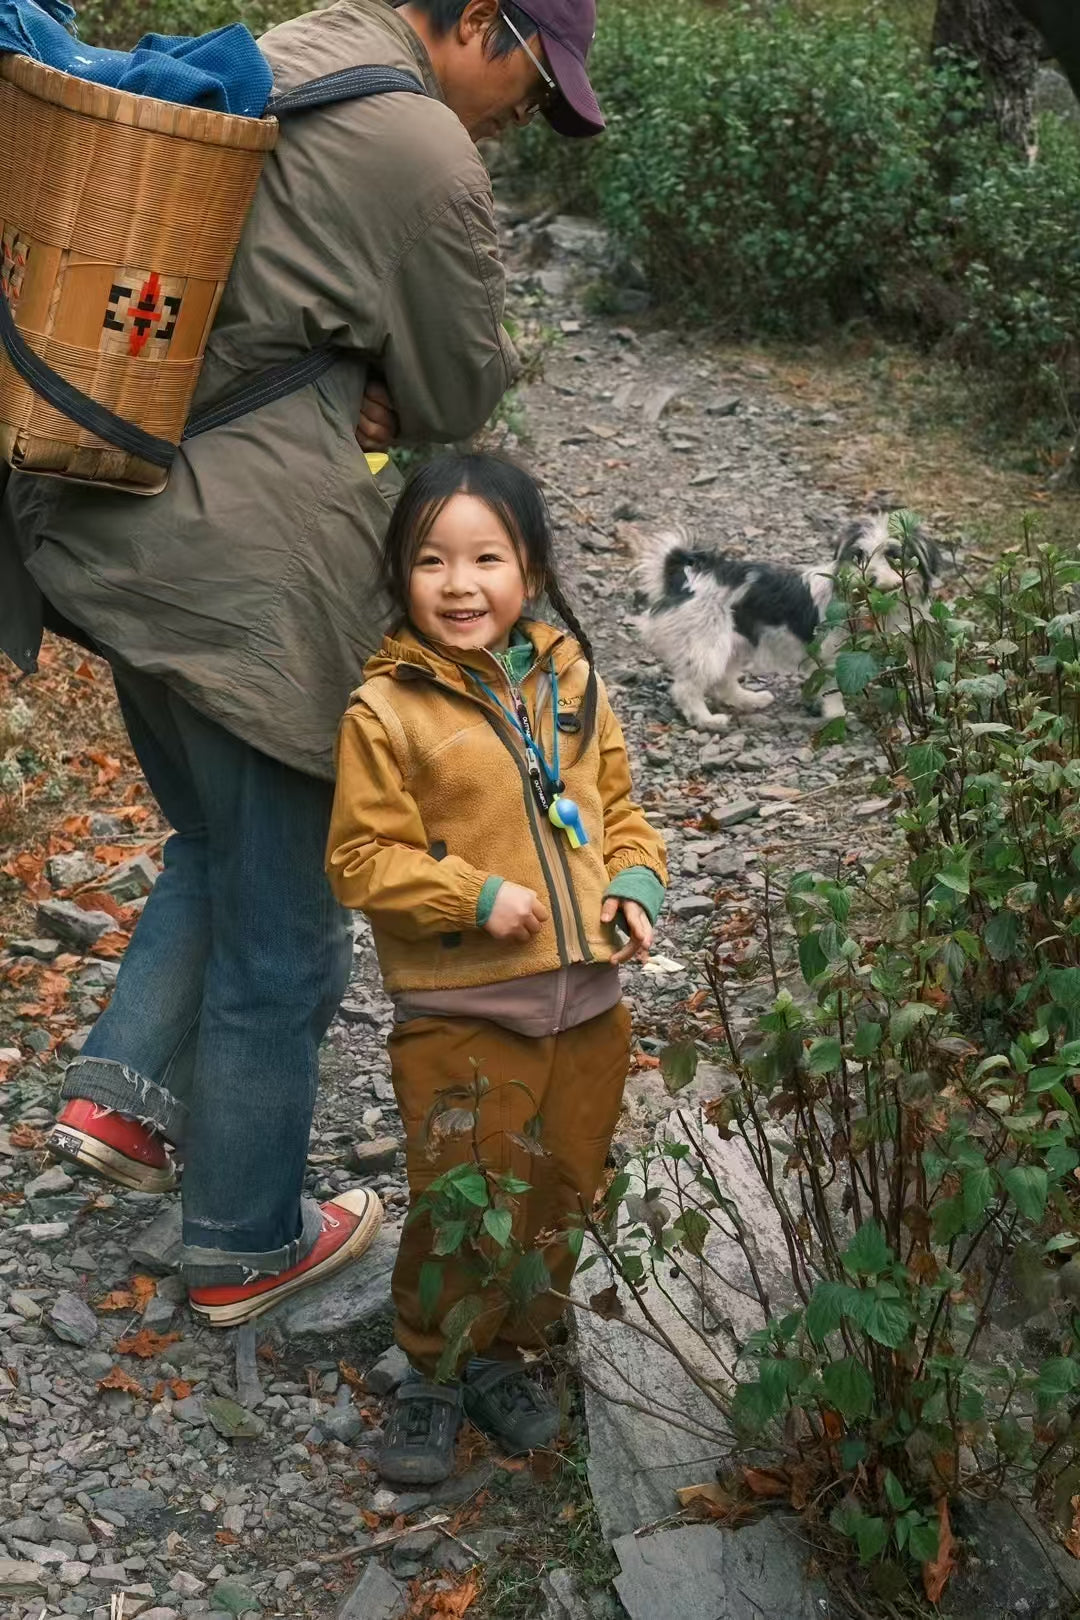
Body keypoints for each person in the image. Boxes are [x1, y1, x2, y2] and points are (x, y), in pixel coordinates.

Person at [0, 0, 605, 1325]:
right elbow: (453, 400)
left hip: (109, 522)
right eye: (532, 80)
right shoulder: (423, 146)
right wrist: (370, 378)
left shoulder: (286, 51)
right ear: (485, 22)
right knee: (289, 929)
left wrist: (340, 358)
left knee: (214, 847)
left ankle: (125, 1098)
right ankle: (244, 1243)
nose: (519, 115)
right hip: (243, 575)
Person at [325, 452, 667, 1482]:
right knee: (464, 1190)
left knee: (560, 1184)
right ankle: (432, 1369)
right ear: (399, 574)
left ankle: (507, 1354)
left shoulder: (572, 682)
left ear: (533, 568)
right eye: (431, 560)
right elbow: (359, 856)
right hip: (461, 1007)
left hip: (589, 1003)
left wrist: (635, 887)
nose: (459, 583)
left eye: (486, 557)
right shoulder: (386, 712)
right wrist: (472, 894)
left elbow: (621, 810)